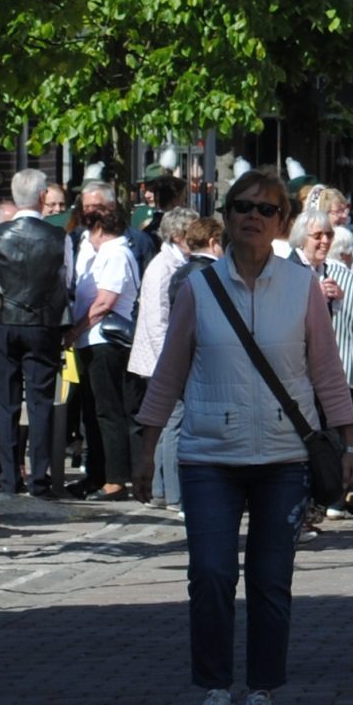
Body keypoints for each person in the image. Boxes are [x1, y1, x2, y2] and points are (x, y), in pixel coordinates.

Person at [135, 170, 353, 705]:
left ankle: (260, 695)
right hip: (210, 454)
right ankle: (215, 693)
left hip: (284, 457)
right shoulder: (198, 290)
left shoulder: (302, 285)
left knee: (269, 581)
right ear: (226, 216)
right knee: (209, 575)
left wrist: (349, 437)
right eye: (241, 207)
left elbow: (326, 370)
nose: (253, 217)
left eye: (266, 209)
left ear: (282, 221)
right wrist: (146, 443)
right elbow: (170, 371)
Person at [0, 167, 72, 499]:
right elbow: (67, 281)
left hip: (3, 321)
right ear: (43, 197)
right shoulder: (59, 237)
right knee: (40, 403)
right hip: (43, 323)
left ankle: (10, 479)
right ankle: (39, 478)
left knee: (5, 403)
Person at [291, 210, 353, 525]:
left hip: (328, 368)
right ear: (301, 238)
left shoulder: (331, 270)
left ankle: (320, 504)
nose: (324, 241)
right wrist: (314, 299)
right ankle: (302, 510)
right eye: (317, 235)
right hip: (297, 372)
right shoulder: (289, 270)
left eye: (328, 235)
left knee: (328, 437)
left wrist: (338, 299)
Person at [69, 193, 139, 500]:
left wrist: (75, 330)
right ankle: (96, 474)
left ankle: (116, 478)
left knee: (109, 411)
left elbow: (104, 302)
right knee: (92, 411)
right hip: (91, 341)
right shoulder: (101, 253)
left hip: (105, 342)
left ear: (101, 231)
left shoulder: (115, 254)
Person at [128, 207, 197, 513]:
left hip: (161, 358)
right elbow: (157, 321)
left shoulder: (175, 263)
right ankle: (172, 492)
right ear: (178, 235)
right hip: (159, 360)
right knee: (173, 423)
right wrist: (169, 364)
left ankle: (160, 488)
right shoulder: (162, 266)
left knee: (170, 422)